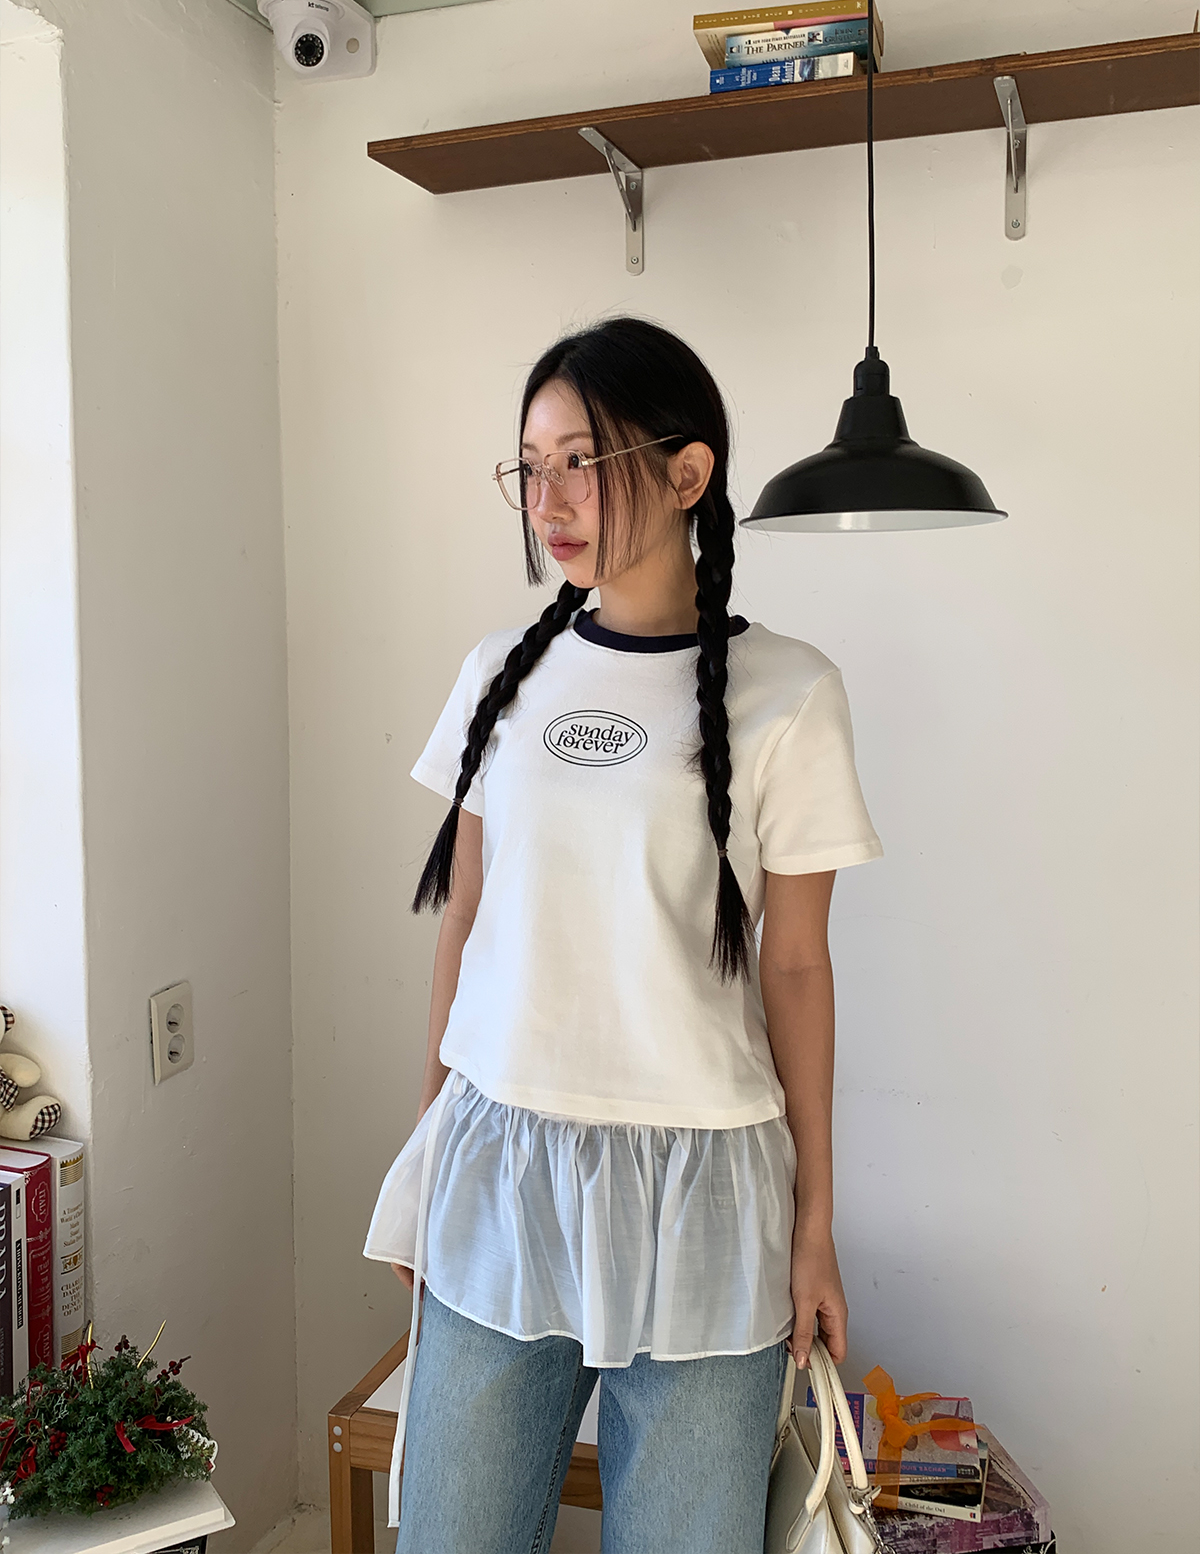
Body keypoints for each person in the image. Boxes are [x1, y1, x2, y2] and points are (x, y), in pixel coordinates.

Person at [364, 317, 882, 1554]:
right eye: (530, 466)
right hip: (501, 1167)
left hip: (708, 1191)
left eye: (582, 463)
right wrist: (430, 1150)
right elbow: (465, 922)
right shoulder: (500, 671)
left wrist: (815, 1224)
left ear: (689, 472)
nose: (549, 501)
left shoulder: (790, 692)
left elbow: (796, 966)